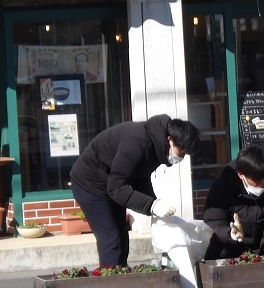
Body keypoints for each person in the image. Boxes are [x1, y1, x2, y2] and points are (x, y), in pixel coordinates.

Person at [70, 114, 201, 267]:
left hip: (111, 183)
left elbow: (139, 177)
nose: (182, 157)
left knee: (122, 239)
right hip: (90, 184)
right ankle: (111, 286)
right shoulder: (138, 143)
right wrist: (152, 205)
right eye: (182, 151)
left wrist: (154, 207)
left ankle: (122, 280)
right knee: (111, 239)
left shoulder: (156, 146)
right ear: (170, 140)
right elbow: (116, 188)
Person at [203, 145, 264, 260]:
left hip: (263, 243)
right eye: (256, 180)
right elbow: (214, 221)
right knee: (218, 254)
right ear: (241, 175)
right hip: (232, 243)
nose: (262, 183)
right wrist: (229, 234)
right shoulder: (222, 185)